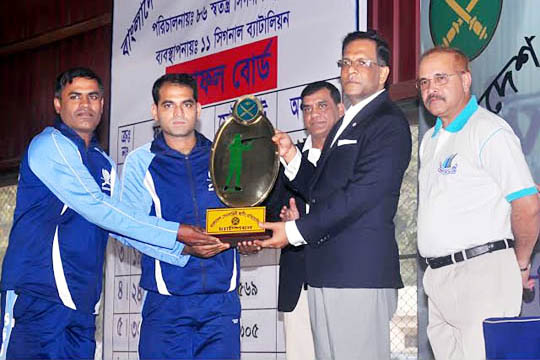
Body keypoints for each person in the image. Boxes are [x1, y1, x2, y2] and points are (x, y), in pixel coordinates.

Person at [0, 68, 220, 360]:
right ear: (57, 104)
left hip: (83, 307)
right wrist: (177, 232)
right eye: (74, 96)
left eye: (93, 97)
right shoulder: (49, 145)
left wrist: (184, 249)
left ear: (102, 104)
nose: (85, 105)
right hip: (36, 298)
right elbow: (98, 208)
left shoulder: (103, 163)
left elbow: (124, 224)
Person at [257, 30, 412, 359]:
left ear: (383, 73)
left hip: (358, 275)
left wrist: (295, 231)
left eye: (362, 62)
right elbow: (325, 188)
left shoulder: (387, 123)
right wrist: (290, 157)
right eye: (345, 62)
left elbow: (361, 196)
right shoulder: (349, 122)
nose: (351, 69)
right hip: (326, 273)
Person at [416, 47, 540, 359]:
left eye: (440, 78)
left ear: (466, 80)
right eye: (424, 82)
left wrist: (521, 263)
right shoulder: (430, 141)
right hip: (437, 278)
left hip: (483, 274)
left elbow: (528, 204)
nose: (431, 89)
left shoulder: (489, 130)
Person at [116, 73, 241, 360]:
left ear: (198, 109)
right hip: (166, 303)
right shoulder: (141, 161)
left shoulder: (222, 154)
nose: (178, 113)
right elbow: (127, 227)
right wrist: (180, 246)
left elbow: (242, 215)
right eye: (169, 105)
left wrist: (246, 238)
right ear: (155, 112)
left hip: (221, 304)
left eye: (186, 104)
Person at [274, 81, 344, 360]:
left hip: (342, 281)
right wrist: (285, 220)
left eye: (322, 106)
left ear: (340, 109)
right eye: (307, 108)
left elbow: (341, 206)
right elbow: (271, 211)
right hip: (297, 283)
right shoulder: (285, 158)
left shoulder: (351, 155)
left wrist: (302, 224)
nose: (314, 114)